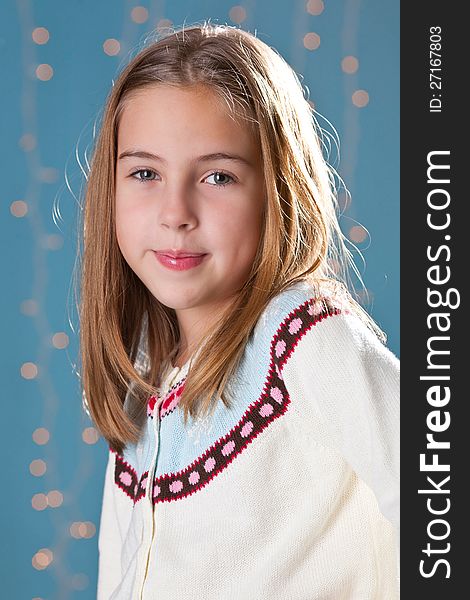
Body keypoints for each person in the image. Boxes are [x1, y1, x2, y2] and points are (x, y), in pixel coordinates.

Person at [79, 22, 399, 600]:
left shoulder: (304, 340)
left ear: (277, 191)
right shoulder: (145, 379)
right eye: (145, 173)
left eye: (217, 176)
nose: (176, 212)